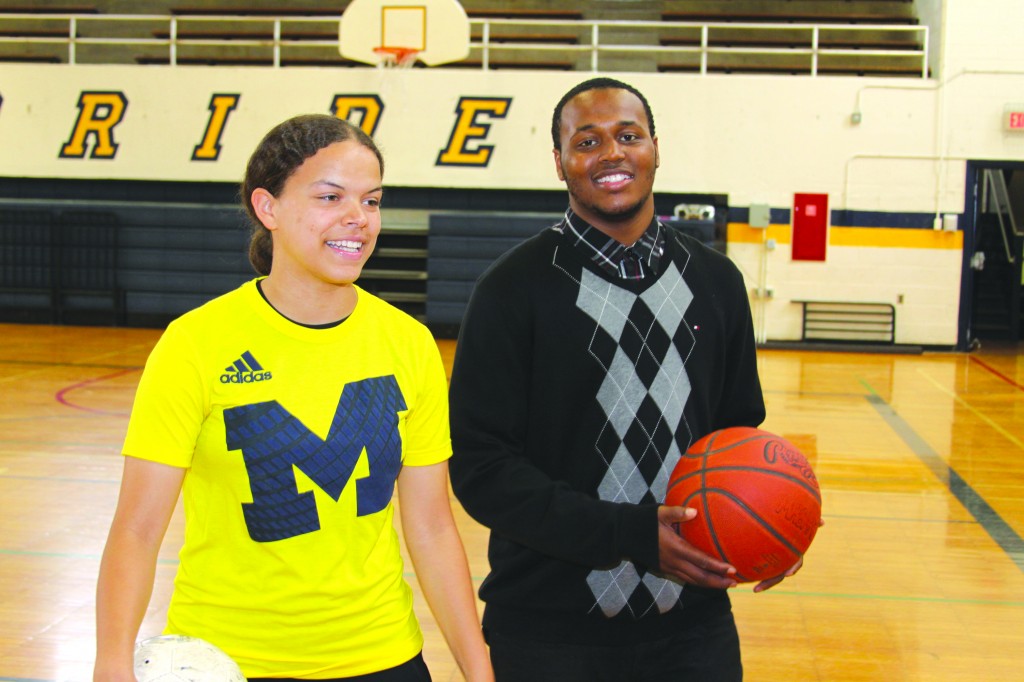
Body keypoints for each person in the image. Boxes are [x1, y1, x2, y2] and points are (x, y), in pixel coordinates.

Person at [94, 114, 493, 682]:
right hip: (227, 660)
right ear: (268, 208)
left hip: (381, 658)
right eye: (331, 196)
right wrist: (112, 662)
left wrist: (477, 666)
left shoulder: (409, 343)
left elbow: (429, 527)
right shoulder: (195, 343)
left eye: (372, 200)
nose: (358, 219)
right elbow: (136, 529)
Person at [448, 77, 801, 681]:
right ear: (559, 163)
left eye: (628, 136)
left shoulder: (717, 282)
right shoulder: (510, 290)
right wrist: (630, 534)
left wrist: (767, 523)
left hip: (693, 632)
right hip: (546, 632)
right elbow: (482, 472)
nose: (611, 153)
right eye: (587, 141)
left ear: (656, 150)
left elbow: (737, 440)